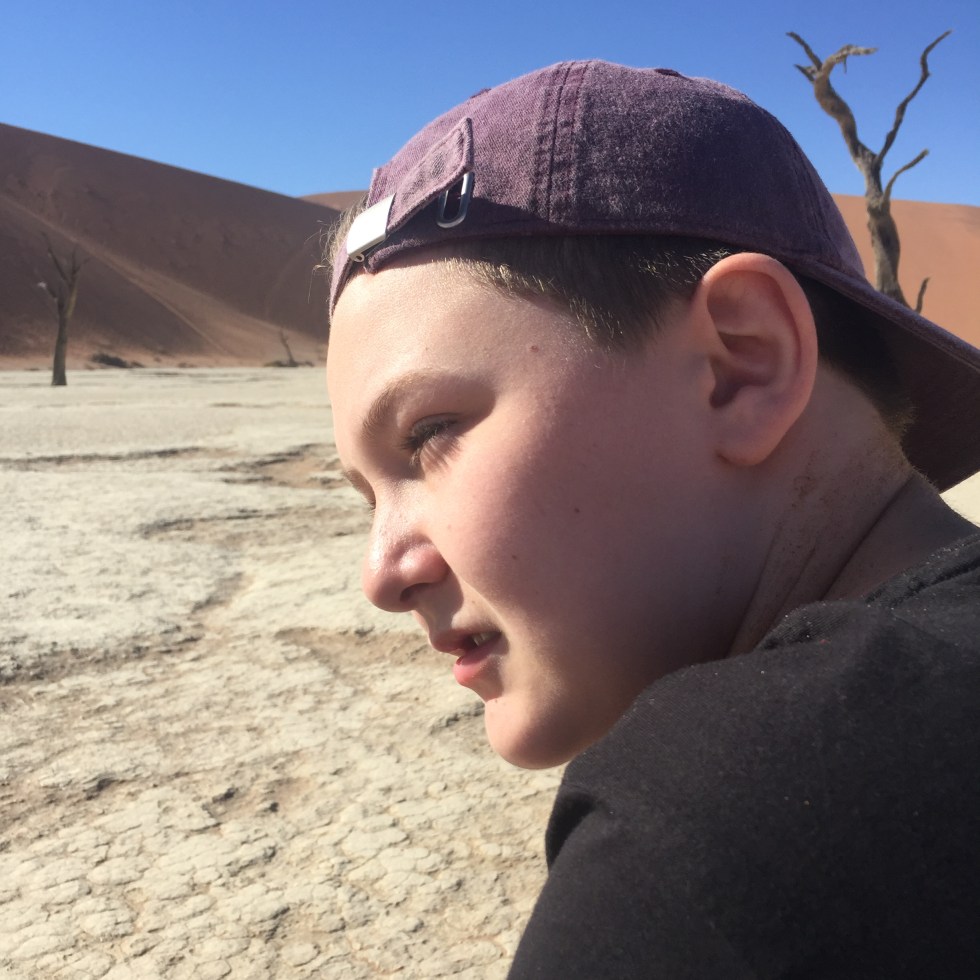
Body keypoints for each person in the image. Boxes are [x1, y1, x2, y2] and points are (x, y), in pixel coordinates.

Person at [325, 61, 980, 977]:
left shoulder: (718, 837)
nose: (380, 576)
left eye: (429, 434)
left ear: (741, 366)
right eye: (367, 494)